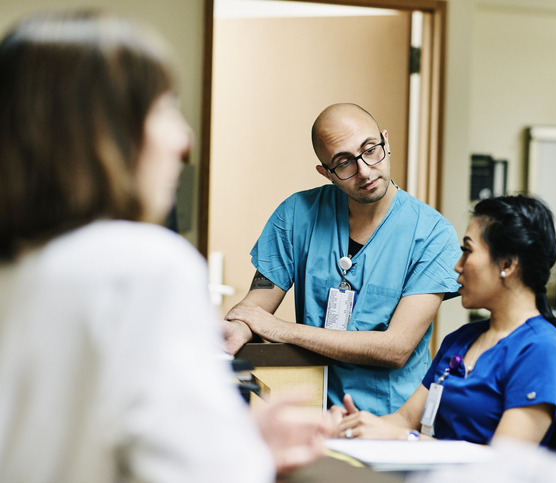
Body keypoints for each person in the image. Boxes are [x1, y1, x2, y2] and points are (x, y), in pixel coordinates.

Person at [0, 11, 329, 482]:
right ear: (100, 131)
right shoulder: (143, 266)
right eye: (163, 109)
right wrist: (250, 456)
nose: (184, 139)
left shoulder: (20, 267)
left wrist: (221, 439)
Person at [223, 103, 461, 416]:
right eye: (344, 163)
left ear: (385, 142)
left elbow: (396, 348)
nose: (364, 170)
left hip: (390, 421)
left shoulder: (432, 234)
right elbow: (255, 308)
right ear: (326, 172)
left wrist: (281, 329)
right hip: (313, 412)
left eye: (370, 150)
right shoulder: (297, 215)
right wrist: (238, 329)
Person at [335, 195, 556, 446]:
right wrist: (350, 426)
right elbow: (405, 419)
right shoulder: (462, 339)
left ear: (507, 263)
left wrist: (404, 438)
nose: (457, 266)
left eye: (467, 251)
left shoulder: (541, 351)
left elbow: (503, 464)